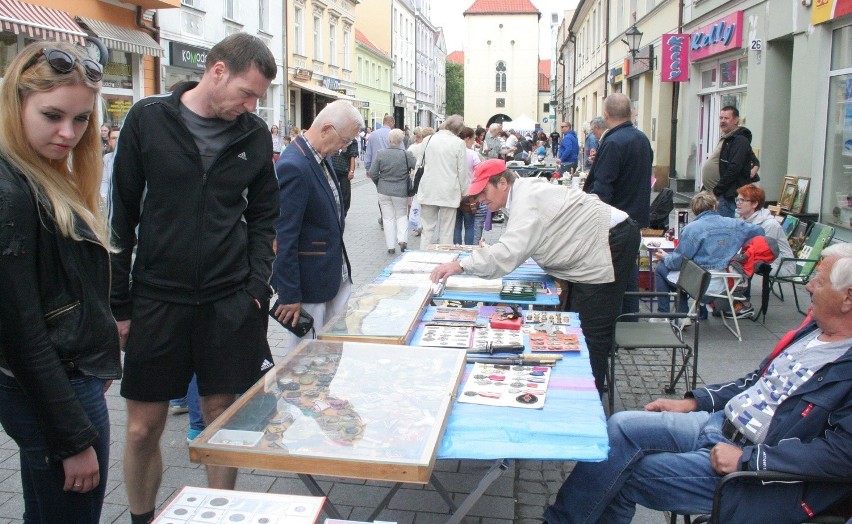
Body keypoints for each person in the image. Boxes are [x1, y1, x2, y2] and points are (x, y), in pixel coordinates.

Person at [544, 243, 852, 524]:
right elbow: (756, 382)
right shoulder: (812, 331)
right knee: (621, 425)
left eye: (820, 281)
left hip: (758, 474)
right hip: (720, 424)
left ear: (847, 297)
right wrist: (693, 401)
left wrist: (748, 460)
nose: (810, 286)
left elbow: (842, 454)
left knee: (627, 475)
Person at [110, 33, 279, 524]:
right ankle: (143, 517)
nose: (250, 106)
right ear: (218, 70)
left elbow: (265, 216)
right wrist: (119, 305)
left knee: (221, 419)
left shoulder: (253, 134)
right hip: (158, 297)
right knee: (143, 428)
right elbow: (120, 219)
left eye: (257, 99)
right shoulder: (148, 120)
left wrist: (254, 288)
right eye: (246, 93)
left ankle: (219, 514)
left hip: (228, 300)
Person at [0, 41, 119, 523]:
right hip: (54, 393)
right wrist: (72, 438)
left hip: (62, 383)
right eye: (52, 115)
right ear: (15, 104)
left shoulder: (39, 174)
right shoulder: (11, 190)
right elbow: (19, 330)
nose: (68, 133)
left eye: (82, 119)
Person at [431, 159, 640, 394]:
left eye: (483, 192)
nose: (480, 200)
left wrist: (461, 265)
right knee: (578, 322)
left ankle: (587, 395)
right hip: (597, 241)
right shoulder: (520, 193)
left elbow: (509, 252)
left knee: (592, 330)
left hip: (609, 242)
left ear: (502, 183)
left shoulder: (525, 199)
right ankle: (579, 384)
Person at [272, 100, 364, 350]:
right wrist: (289, 295)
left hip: (332, 273)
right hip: (310, 283)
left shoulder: (322, 158)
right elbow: (284, 236)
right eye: (344, 141)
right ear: (326, 130)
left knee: (331, 348)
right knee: (305, 357)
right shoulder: (294, 165)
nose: (344, 148)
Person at [583, 95, 653, 318]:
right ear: (630, 112)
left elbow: (603, 189)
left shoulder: (613, 142)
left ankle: (614, 324)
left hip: (615, 221)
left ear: (606, 116)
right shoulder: (641, 139)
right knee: (629, 273)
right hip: (635, 215)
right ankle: (629, 322)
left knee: (613, 277)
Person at [653, 192, 764, 317]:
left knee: (662, 269)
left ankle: (665, 315)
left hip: (700, 282)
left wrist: (665, 257)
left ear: (695, 211)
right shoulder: (734, 224)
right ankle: (695, 313)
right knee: (683, 274)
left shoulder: (692, 228)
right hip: (725, 282)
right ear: (715, 207)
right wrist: (742, 250)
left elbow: (678, 262)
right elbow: (760, 231)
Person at [732, 183, 796, 318]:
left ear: (754, 204)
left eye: (742, 200)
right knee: (733, 261)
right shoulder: (743, 219)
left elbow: (765, 252)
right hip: (759, 259)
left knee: (741, 264)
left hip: (780, 264)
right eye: (737, 199)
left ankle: (743, 304)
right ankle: (731, 300)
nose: (738, 203)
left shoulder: (769, 224)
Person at [415, 115, 469, 248]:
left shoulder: (428, 140)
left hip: (428, 188)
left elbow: (418, 165)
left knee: (427, 230)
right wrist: (464, 192)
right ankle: (443, 259)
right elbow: (462, 171)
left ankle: (423, 257)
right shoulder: (459, 143)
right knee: (447, 231)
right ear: (459, 130)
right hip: (449, 191)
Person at [703, 106, 759, 218]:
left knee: (724, 229)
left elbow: (734, 167)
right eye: (721, 118)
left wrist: (718, 190)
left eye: (726, 118)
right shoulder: (727, 138)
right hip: (714, 194)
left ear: (736, 120)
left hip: (725, 196)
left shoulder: (740, 140)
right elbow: (754, 160)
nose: (722, 121)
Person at [368, 128, 415, 253]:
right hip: (401, 191)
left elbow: (372, 172)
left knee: (387, 218)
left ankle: (390, 246)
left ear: (389, 140)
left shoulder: (381, 153)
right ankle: (402, 240)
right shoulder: (406, 154)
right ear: (401, 141)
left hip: (383, 190)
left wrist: (379, 183)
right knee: (401, 215)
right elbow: (416, 166)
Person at [454, 126, 482, 245]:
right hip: (469, 193)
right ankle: (468, 251)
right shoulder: (472, 154)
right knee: (470, 226)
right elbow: (480, 171)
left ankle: (456, 248)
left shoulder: (453, 152)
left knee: (456, 226)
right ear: (467, 139)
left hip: (454, 192)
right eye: (473, 139)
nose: (474, 142)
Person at [329, 131, 359, 217]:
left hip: (344, 169)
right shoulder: (334, 137)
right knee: (331, 191)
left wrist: (351, 170)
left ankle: (343, 213)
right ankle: (333, 211)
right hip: (333, 167)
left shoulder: (352, 140)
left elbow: (352, 156)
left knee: (345, 193)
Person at [100, 126, 120, 202]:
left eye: (119, 137)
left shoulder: (133, 157)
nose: (117, 140)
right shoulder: (107, 158)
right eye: (114, 138)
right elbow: (105, 181)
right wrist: (103, 198)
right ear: (109, 142)